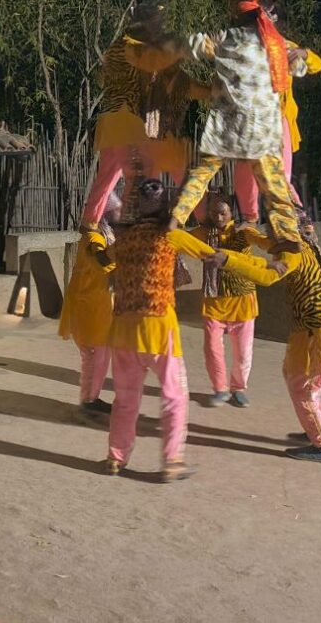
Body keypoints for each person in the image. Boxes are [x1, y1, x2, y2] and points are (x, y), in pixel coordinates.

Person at [104, 179, 231, 482]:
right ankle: (172, 460)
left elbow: (103, 259)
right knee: (174, 396)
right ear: (166, 206)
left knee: (124, 399)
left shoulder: (126, 238)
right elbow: (207, 253)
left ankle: (115, 458)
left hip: (122, 328)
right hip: (159, 326)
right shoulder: (170, 236)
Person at [209, 208, 321, 463]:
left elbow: (265, 275)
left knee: (306, 389)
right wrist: (229, 255)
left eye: (273, 229)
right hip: (307, 327)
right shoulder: (298, 246)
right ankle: (319, 430)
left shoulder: (293, 252)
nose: (269, 234)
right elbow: (263, 262)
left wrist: (228, 262)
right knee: (294, 376)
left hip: (318, 329)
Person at [169, 0, 303, 247]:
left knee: (202, 173)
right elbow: (299, 66)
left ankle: (175, 219)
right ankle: (288, 235)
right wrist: (303, 56)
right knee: (274, 183)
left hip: (228, 124)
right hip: (261, 127)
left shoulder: (226, 39)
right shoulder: (276, 45)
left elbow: (192, 45)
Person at [82, 2, 210, 229]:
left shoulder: (128, 49)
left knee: (109, 179)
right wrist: (192, 47)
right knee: (140, 174)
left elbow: (182, 82)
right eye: (156, 20)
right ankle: (136, 229)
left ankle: (90, 227)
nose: (160, 25)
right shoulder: (129, 48)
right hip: (128, 123)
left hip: (122, 125)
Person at [233, 0, 321, 222]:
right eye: (261, 14)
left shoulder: (286, 46)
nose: (266, 18)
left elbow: (317, 65)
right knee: (245, 177)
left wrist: (304, 53)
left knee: (279, 177)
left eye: (271, 14)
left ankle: (298, 222)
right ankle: (249, 222)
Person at [190, 194, 268, 407]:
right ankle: (220, 388)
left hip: (242, 299)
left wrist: (279, 246)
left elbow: (263, 242)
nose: (219, 216)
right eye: (214, 212)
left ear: (231, 213)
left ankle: (238, 387)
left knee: (243, 353)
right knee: (212, 349)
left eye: (223, 212)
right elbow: (180, 239)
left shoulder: (243, 232)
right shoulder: (203, 233)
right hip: (214, 300)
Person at [59, 192, 123, 414]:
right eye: (117, 211)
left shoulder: (101, 236)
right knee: (97, 356)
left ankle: (89, 397)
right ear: (105, 215)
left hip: (94, 307)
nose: (120, 214)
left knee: (93, 357)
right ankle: (89, 401)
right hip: (91, 309)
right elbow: (103, 259)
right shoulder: (94, 238)